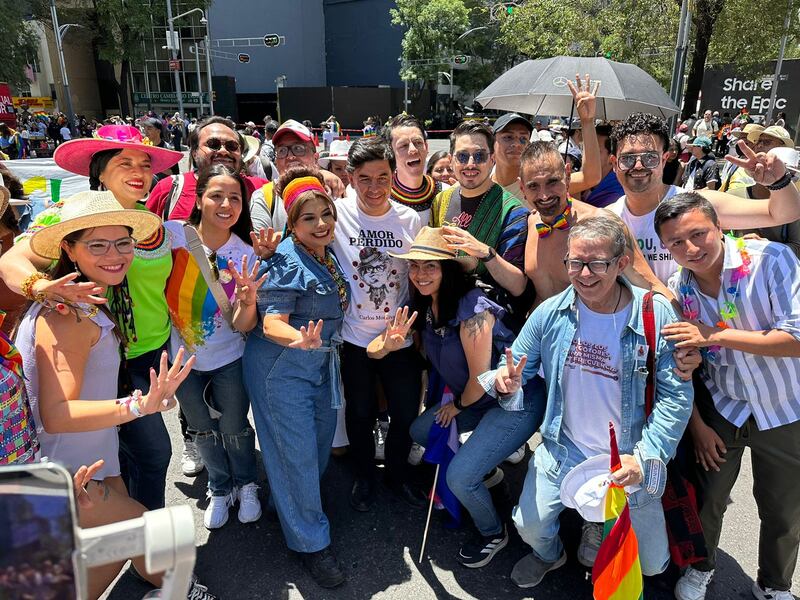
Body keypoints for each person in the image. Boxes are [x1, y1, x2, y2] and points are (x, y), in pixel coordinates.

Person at [14, 190, 215, 600]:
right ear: (68, 248)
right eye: (97, 245)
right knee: (144, 527)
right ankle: (183, 592)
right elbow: (57, 413)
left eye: (123, 242)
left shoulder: (84, 300)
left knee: (118, 545)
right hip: (66, 471)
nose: (115, 254)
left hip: (87, 462)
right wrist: (140, 405)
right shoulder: (67, 315)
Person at [486, 214, 692, 588]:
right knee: (527, 526)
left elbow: (675, 397)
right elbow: (514, 365)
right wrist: (505, 381)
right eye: (575, 263)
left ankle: (595, 523)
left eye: (597, 263)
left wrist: (646, 457)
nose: (583, 275)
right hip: (567, 450)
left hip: (630, 454)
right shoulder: (551, 313)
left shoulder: (654, 314)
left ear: (621, 263)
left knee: (652, 564)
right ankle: (551, 555)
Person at [0, 124, 185, 510]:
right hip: (98, 356)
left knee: (120, 457)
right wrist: (42, 287)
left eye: (145, 163)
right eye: (124, 162)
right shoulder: (67, 217)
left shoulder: (150, 223)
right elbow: (12, 260)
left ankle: (134, 539)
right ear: (99, 170)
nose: (139, 171)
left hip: (149, 352)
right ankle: (145, 540)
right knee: (146, 453)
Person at [369, 227, 546, 568]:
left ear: (447, 269)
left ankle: (493, 532)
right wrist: (387, 345)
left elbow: (481, 381)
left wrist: (457, 406)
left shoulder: (473, 309)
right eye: (415, 266)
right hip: (477, 399)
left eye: (430, 266)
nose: (420, 274)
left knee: (458, 477)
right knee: (421, 431)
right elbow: (376, 349)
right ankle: (486, 472)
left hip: (512, 401)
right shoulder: (420, 303)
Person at [653, 193, 800, 600]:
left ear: (720, 227)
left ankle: (774, 584)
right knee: (707, 499)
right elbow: (687, 363)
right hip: (725, 407)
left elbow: (797, 337)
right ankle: (701, 566)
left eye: (698, 234)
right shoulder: (678, 290)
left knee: (784, 509)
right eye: (676, 243)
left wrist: (712, 334)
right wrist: (698, 425)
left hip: (787, 406)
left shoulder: (771, 261)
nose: (691, 249)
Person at [242, 166, 349, 588]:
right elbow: (271, 323)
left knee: (317, 445)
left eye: (326, 213)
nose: (321, 223)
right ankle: (311, 545)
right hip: (280, 370)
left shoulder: (326, 252)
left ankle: (288, 504)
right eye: (309, 218)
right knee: (297, 453)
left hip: (318, 363)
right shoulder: (287, 259)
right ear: (292, 222)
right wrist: (298, 340)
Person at [165, 165, 263, 530]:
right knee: (201, 429)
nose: (226, 204)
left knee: (236, 427)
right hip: (183, 359)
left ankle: (246, 483)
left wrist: (249, 301)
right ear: (199, 198)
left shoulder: (245, 252)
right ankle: (220, 488)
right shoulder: (172, 236)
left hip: (231, 358)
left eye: (235, 198)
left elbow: (243, 325)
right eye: (216, 196)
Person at [331, 136, 424, 512]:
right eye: (364, 178)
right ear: (351, 177)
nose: (374, 187)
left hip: (398, 339)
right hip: (354, 339)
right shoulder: (336, 213)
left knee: (404, 415)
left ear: (394, 175)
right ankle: (366, 477)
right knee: (359, 413)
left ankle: (397, 477)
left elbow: (421, 274)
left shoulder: (410, 218)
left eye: (382, 177)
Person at [606, 112, 800, 287]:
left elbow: (782, 214)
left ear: (664, 159)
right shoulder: (607, 219)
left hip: (696, 323)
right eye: (628, 158)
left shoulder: (698, 205)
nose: (638, 166)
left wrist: (778, 182)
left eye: (650, 158)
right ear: (614, 163)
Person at [430, 120, 530, 329]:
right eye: (462, 156)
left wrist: (485, 252)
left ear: (492, 159)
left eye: (480, 156)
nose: (470, 164)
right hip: (443, 321)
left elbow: (519, 285)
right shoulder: (441, 201)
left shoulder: (513, 211)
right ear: (451, 160)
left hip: (487, 327)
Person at [145, 116, 269, 220]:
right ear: (194, 152)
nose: (223, 151)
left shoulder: (263, 190)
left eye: (232, 146)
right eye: (213, 144)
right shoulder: (167, 189)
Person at [249, 119, 345, 235]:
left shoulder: (334, 190)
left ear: (315, 157)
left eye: (298, 149)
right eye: (282, 150)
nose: (290, 156)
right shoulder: (264, 196)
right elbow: (261, 245)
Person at [384, 113, 442, 223]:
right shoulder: (379, 196)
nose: (413, 150)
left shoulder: (446, 193)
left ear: (427, 147)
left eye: (418, 142)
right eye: (403, 145)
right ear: (390, 153)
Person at [583, 124, 625, 207]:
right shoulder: (585, 180)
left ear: (611, 159)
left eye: (595, 151)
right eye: (586, 148)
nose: (587, 155)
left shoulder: (615, 195)